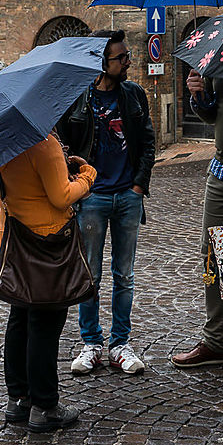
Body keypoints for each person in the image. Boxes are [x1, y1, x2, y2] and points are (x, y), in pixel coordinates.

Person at [57, 30, 155, 376]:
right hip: (93, 197)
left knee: (124, 275)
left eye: (127, 55)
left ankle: (120, 344)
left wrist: (139, 186)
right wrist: (77, 186)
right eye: (121, 57)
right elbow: (63, 146)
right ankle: (91, 343)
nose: (128, 61)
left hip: (128, 196)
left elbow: (147, 141)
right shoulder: (78, 98)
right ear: (102, 63)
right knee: (91, 275)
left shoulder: (133, 94)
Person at [0, 135, 96, 432]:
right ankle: (45, 406)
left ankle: (19, 400)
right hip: (48, 243)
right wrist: (87, 177)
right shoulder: (43, 143)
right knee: (45, 323)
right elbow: (61, 195)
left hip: (16, 238)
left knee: (20, 317)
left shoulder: (4, 145)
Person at [171, 71, 223, 380]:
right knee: (213, 256)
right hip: (222, 170)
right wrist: (200, 95)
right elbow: (213, 113)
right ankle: (216, 342)